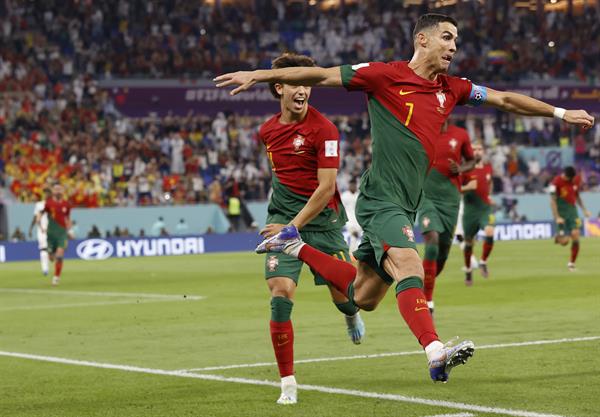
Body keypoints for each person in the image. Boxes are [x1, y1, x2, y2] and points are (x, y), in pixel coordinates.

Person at [215, 13, 594, 383]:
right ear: (422, 40)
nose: (454, 47)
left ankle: (296, 248)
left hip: (407, 203)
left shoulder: (452, 88)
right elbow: (320, 75)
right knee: (410, 266)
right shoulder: (385, 76)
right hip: (381, 198)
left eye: (456, 40)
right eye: (447, 37)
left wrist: (560, 113)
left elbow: (505, 100)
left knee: (364, 296)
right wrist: (259, 75)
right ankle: (434, 351)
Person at [254, 53, 365, 405]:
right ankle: (288, 381)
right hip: (282, 221)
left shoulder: (325, 130)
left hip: (323, 224)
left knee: (349, 298)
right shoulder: (267, 132)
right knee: (280, 294)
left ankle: (351, 316)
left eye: (308, 83)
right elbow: (281, 176)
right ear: (279, 88)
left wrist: (292, 227)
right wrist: (283, 223)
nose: (303, 90)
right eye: (296, 83)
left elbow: (324, 189)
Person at [418, 122, 475, 313]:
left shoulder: (460, 134)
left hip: (450, 199)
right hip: (426, 197)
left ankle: (426, 282)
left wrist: (460, 168)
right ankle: (427, 300)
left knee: (442, 253)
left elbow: (472, 161)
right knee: (431, 239)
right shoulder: (423, 129)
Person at [461, 143, 495, 285]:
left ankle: (483, 261)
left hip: (485, 209)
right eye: (474, 149)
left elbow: (490, 182)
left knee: (490, 232)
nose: (477, 151)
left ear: (483, 152)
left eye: (479, 149)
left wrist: (489, 195)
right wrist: (468, 187)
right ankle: (469, 270)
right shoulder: (464, 169)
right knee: (469, 243)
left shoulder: (488, 167)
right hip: (470, 211)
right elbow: (457, 188)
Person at [549, 166, 591, 271]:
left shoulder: (575, 180)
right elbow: (552, 201)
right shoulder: (555, 183)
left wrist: (584, 210)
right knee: (565, 242)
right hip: (561, 212)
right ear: (566, 176)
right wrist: (557, 217)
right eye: (570, 179)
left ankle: (571, 264)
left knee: (576, 234)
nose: (573, 181)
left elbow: (577, 196)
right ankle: (558, 237)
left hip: (572, 211)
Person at [43, 184, 72, 286]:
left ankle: (56, 277)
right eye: (56, 189)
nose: (58, 191)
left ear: (63, 191)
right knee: (51, 258)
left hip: (62, 233)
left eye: (60, 189)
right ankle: (51, 254)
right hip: (51, 234)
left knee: (59, 255)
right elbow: (42, 213)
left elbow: (68, 218)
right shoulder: (48, 203)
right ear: (53, 192)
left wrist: (69, 231)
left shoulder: (66, 204)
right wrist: (40, 222)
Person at [29, 188, 51, 276]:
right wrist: (31, 229)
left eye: (47, 194)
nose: (46, 195)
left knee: (51, 250)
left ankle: (50, 261)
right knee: (43, 249)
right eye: (45, 193)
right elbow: (35, 218)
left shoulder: (52, 204)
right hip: (42, 230)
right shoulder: (39, 205)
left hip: (52, 230)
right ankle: (45, 268)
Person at [341, 179, 362, 254]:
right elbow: (341, 209)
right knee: (352, 236)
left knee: (357, 239)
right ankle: (350, 254)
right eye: (351, 184)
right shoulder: (345, 195)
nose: (353, 186)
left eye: (354, 184)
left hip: (357, 219)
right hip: (349, 219)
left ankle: (355, 255)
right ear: (349, 185)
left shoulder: (359, 195)